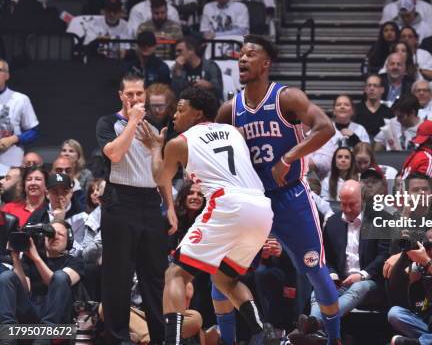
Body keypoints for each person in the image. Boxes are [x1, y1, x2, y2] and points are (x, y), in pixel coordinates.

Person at [216, 34, 343, 345]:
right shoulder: (229, 110)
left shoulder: (286, 98)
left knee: (315, 270)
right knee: (220, 275)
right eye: (241, 54)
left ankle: (335, 339)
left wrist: (290, 156)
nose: (242, 59)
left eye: (250, 54)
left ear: (266, 63)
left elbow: (326, 127)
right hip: (251, 201)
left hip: (291, 197)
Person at [137, 85, 274, 345]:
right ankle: (263, 332)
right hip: (261, 208)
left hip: (228, 205)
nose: (174, 115)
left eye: (180, 109)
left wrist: (156, 147)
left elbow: (159, 177)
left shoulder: (179, 143)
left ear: (198, 114)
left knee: (175, 275)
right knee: (225, 278)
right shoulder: (234, 132)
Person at [95, 71, 171, 345]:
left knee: (155, 277)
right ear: (121, 96)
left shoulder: (153, 127)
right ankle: (117, 339)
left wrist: (171, 207)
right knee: (118, 277)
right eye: (130, 94)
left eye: (139, 93)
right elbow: (115, 154)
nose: (135, 98)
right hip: (120, 203)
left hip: (151, 203)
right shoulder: (107, 123)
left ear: (145, 95)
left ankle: (161, 338)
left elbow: (161, 172)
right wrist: (133, 121)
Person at [309, 180, 388, 321]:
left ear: (363, 200)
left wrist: (362, 275)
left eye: (352, 204)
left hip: (369, 281)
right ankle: (315, 328)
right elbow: (326, 257)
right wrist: (332, 274)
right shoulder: (332, 222)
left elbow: (384, 256)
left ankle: (317, 323)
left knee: (358, 288)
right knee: (318, 290)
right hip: (341, 281)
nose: (347, 209)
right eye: (343, 204)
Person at [0, 221, 85, 327]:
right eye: (51, 233)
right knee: (7, 276)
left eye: (60, 234)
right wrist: (16, 257)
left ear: (69, 240)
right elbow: (25, 289)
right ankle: (7, 330)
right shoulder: (30, 258)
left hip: (57, 314)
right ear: (43, 238)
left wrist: (36, 259)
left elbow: (57, 283)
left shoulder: (76, 262)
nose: (55, 237)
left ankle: (45, 334)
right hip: (32, 310)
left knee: (60, 276)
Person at [0, 59, 40, 176]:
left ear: (7, 75)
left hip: (11, 168)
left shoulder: (21, 99)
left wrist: (13, 139)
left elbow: (34, 131)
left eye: (0, 70)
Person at [353, 74, 394, 140]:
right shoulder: (355, 110)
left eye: (375, 86)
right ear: (365, 89)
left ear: (382, 90)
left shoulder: (389, 112)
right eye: (369, 85)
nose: (372, 88)